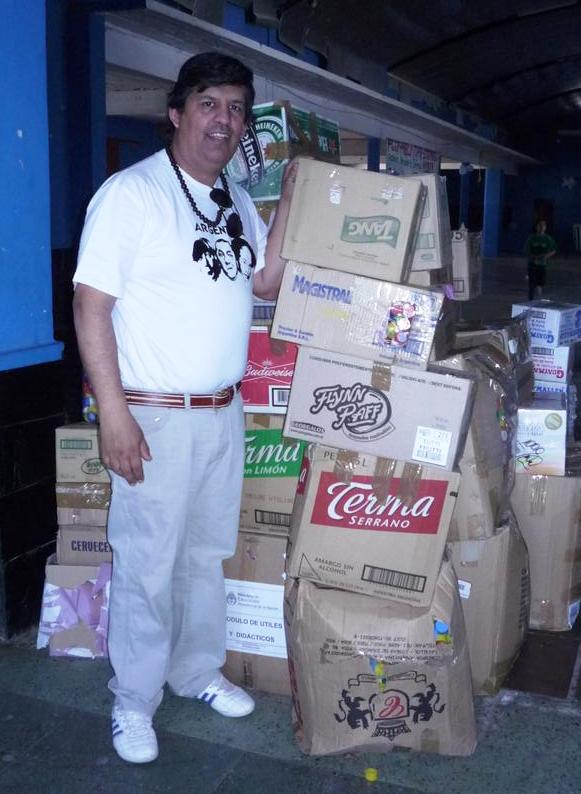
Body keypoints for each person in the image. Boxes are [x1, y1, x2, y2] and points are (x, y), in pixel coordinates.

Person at [73, 52, 297, 765]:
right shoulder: (130, 195)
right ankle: (134, 700)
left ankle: (196, 670)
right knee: (147, 562)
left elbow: (263, 279)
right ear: (177, 112)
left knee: (204, 557)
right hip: (154, 414)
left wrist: (292, 199)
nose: (223, 121)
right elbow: (90, 306)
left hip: (224, 413)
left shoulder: (235, 196)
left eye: (235, 109)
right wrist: (114, 413)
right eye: (209, 105)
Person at [524, 219, 557, 300]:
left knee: (540, 284)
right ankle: (530, 300)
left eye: (543, 226)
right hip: (532, 264)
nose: (541, 227)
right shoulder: (532, 238)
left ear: (545, 228)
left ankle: (539, 298)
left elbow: (554, 250)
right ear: (536, 227)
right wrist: (533, 257)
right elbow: (527, 250)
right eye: (540, 225)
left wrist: (546, 256)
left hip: (542, 265)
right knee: (531, 284)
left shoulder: (548, 239)